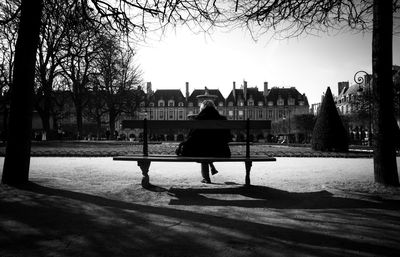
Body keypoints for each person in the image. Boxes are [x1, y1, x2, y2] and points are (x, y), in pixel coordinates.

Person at [176, 100, 231, 183]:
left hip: (200, 152)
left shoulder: (198, 119)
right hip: (221, 152)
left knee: (203, 150)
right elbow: (228, 138)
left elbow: (191, 138)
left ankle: (206, 177)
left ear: (201, 109)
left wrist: (182, 144)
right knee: (207, 149)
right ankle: (210, 170)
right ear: (214, 108)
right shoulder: (222, 119)